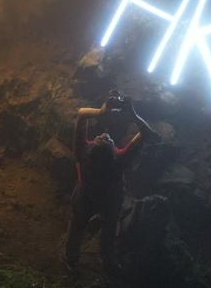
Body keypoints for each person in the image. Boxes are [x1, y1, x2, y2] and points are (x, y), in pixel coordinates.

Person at [64, 90, 157, 275]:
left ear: (92, 147)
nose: (105, 134)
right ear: (115, 151)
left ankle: (71, 259)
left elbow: (81, 113)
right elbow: (147, 133)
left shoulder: (83, 154)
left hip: (85, 197)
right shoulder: (119, 161)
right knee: (109, 230)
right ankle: (108, 261)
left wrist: (101, 111)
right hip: (111, 200)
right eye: (107, 139)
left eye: (101, 138)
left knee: (77, 227)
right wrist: (133, 114)